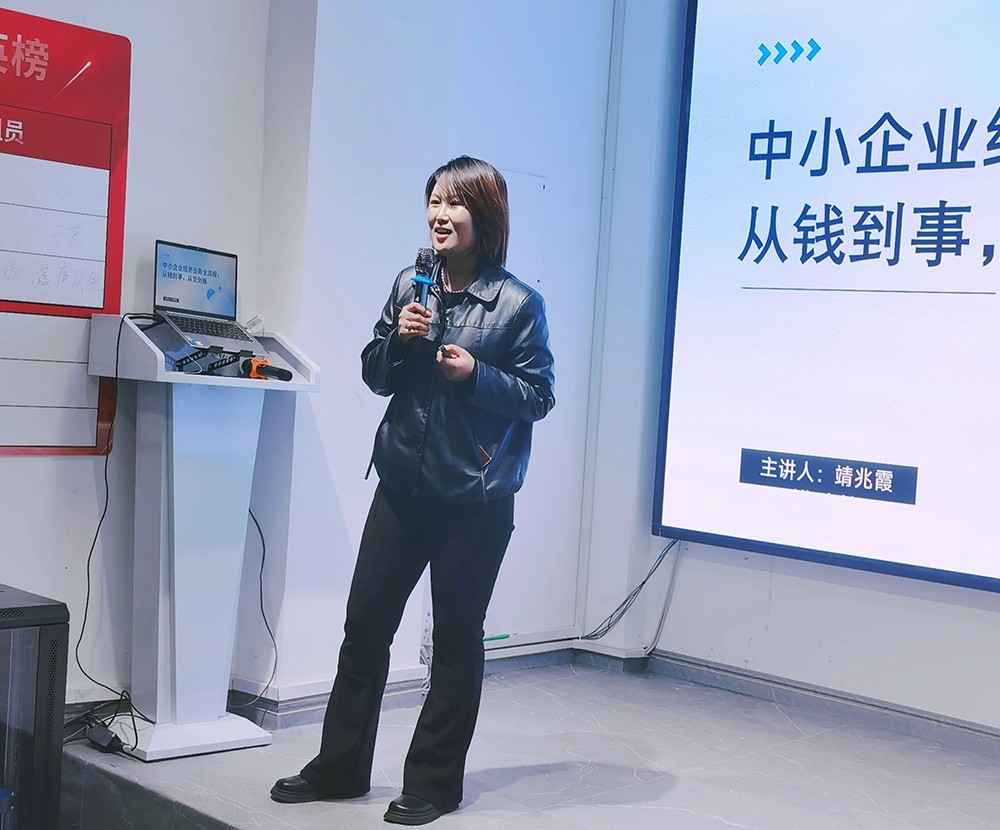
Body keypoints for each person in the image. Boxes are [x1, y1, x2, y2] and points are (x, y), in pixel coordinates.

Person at [270, 156, 555, 825]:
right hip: (402, 484)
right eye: (434, 200)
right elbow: (377, 375)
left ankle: (433, 784)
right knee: (364, 629)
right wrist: (400, 342)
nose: (440, 214)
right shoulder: (411, 282)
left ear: (484, 216)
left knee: (455, 640)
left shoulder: (517, 304)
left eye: (455, 202)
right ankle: (339, 768)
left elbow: (538, 396)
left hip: (475, 498)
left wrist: (475, 373)